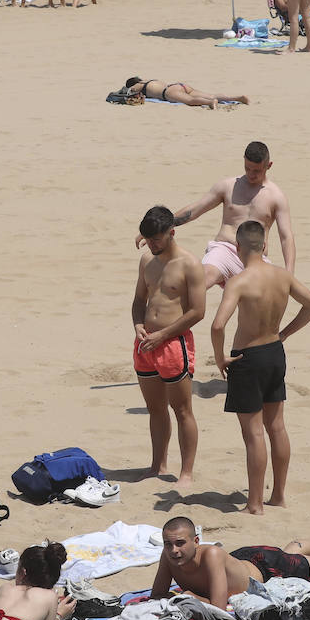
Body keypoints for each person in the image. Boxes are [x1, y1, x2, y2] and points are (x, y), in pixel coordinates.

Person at [210, 220, 310, 513]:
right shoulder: (283, 276)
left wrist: (219, 357)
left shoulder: (239, 281)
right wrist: (285, 333)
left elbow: (218, 324)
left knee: (254, 433)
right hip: (275, 352)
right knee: (277, 427)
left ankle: (255, 503)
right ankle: (279, 496)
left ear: (237, 247)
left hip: (248, 358)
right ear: (266, 246)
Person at [140, 141, 295, 290]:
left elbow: (286, 237)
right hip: (224, 251)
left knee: (269, 298)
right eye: (247, 168)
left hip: (255, 258)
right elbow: (195, 210)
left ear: (269, 166)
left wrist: (289, 273)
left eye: (257, 171)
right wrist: (156, 229)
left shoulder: (276, 197)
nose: (251, 174)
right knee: (203, 279)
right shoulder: (228, 186)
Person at [150, 516, 310, 609]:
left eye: (180, 543)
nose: (174, 550)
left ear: (196, 541)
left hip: (267, 569)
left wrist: (189, 596)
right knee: (294, 556)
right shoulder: (169, 557)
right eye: (168, 544)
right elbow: (157, 595)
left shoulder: (211, 554)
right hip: (245, 561)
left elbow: (218, 606)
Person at [132, 206, 206, 487]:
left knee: (182, 409)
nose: (152, 245)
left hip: (174, 343)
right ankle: (157, 465)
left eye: (157, 239)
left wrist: (163, 335)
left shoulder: (190, 264)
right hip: (145, 343)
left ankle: (186, 472)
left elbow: (198, 311)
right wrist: (138, 324)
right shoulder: (147, 261)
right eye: (149, 239)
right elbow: (139, 300)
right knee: (155, 409)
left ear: (171, 232)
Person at [121, 78, 250, 110]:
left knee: (189, 101)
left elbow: (128, 92)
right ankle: (236, 98)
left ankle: (210, 103)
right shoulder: (150, 80)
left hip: (169, 92)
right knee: (211, 94)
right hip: (178, 85)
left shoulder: (136, 85)